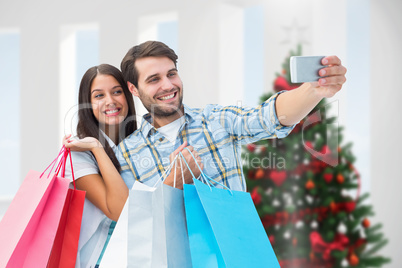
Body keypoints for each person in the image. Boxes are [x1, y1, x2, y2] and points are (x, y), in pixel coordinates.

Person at [117, 40, 347, 192]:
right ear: (134, 89)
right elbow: (133, 223)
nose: (168, 85)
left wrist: (313, 90)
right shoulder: (126, 154)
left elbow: (268, 117)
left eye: (172, 74)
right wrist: (172, 183)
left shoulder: (216, 120)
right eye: (154, 79)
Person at [62, 63, 202, 268]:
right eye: (99, 96)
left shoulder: (141, 146)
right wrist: (97, 148)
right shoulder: (79, 156)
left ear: (128, 95)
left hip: (148, 256)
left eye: (117, 92)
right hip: (103, 259)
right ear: (87, 104)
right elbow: (119, 211)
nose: (110, 101)